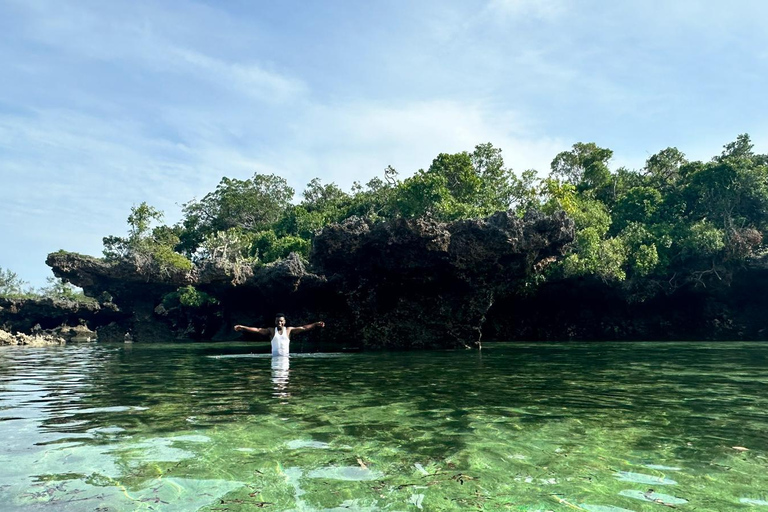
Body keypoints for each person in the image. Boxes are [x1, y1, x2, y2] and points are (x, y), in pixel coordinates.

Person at [234, 313, 325, 356]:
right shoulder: (271, 331)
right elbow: (257, 330)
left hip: (286, 359)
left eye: (281, 321)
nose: (279, 323)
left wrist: (315, 324)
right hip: (275, 360)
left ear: (284, 322)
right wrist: (242, 327)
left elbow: (303, 328)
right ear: (275, 322)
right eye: (278, 321)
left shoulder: (289, 330)